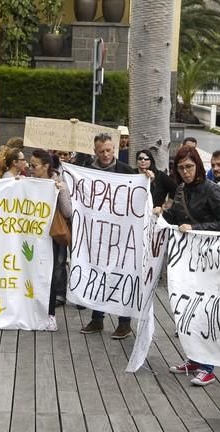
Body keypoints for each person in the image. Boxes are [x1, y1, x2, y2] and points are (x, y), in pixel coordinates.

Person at [161, 145, 220, 386]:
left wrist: (196, 229)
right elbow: (175, 218)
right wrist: (159, 213)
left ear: (198, 166)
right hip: (188, 261)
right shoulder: (181, 189)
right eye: (181, 168)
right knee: (187, 311)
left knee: (204, 312)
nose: (185, 172)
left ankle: (208, 366)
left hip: (210, 260)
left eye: (189, 167)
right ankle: (194, 359)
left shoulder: (212, 189)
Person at [80, 133, 136, 339]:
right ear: (95, 151)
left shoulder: (126, 171)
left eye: (109, 150)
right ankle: (97, 319)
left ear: (115, 150)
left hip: (121, 234)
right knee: (98, 275)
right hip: (97, 232)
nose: (105, 154)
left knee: (122, 275)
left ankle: (124, 323)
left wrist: (148, 178)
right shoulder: (87, 170)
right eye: (101, 151)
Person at [30, 149, 72, 330]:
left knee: (51, 274)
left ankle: (50, 314)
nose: (30, 169)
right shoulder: (27, 182)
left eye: (34, 166)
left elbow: (68, 212)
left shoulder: (59, 182)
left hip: (52, 237)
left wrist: (60, 191)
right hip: (30, 236)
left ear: (46, 166)